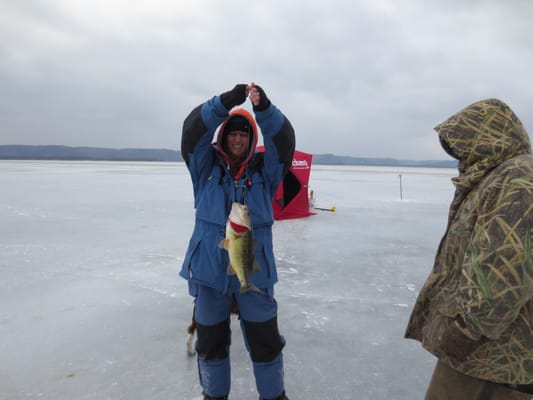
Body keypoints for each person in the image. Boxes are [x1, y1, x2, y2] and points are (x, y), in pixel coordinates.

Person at [405, 98, 533, 400]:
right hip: (488, 350)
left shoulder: (517, 180)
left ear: (486, 137)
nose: (459, 154)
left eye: (462, 144)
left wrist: (468, 328)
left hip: (492, 354)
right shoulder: (498, 176)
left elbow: (505, 264)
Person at [180, 83, 295, 400]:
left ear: (252, 138)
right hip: (209, 273)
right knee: (211, 345)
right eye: (233, 132)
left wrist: (265, 111)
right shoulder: (203, 168)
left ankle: (274, 396)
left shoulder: (266, 173)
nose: (238, 138)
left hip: (253, 274)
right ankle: (213, 396)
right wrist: (223, 104)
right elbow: (191, 134)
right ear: (223, 135)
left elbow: (284, 144)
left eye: (245, 134)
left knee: (266, 344)